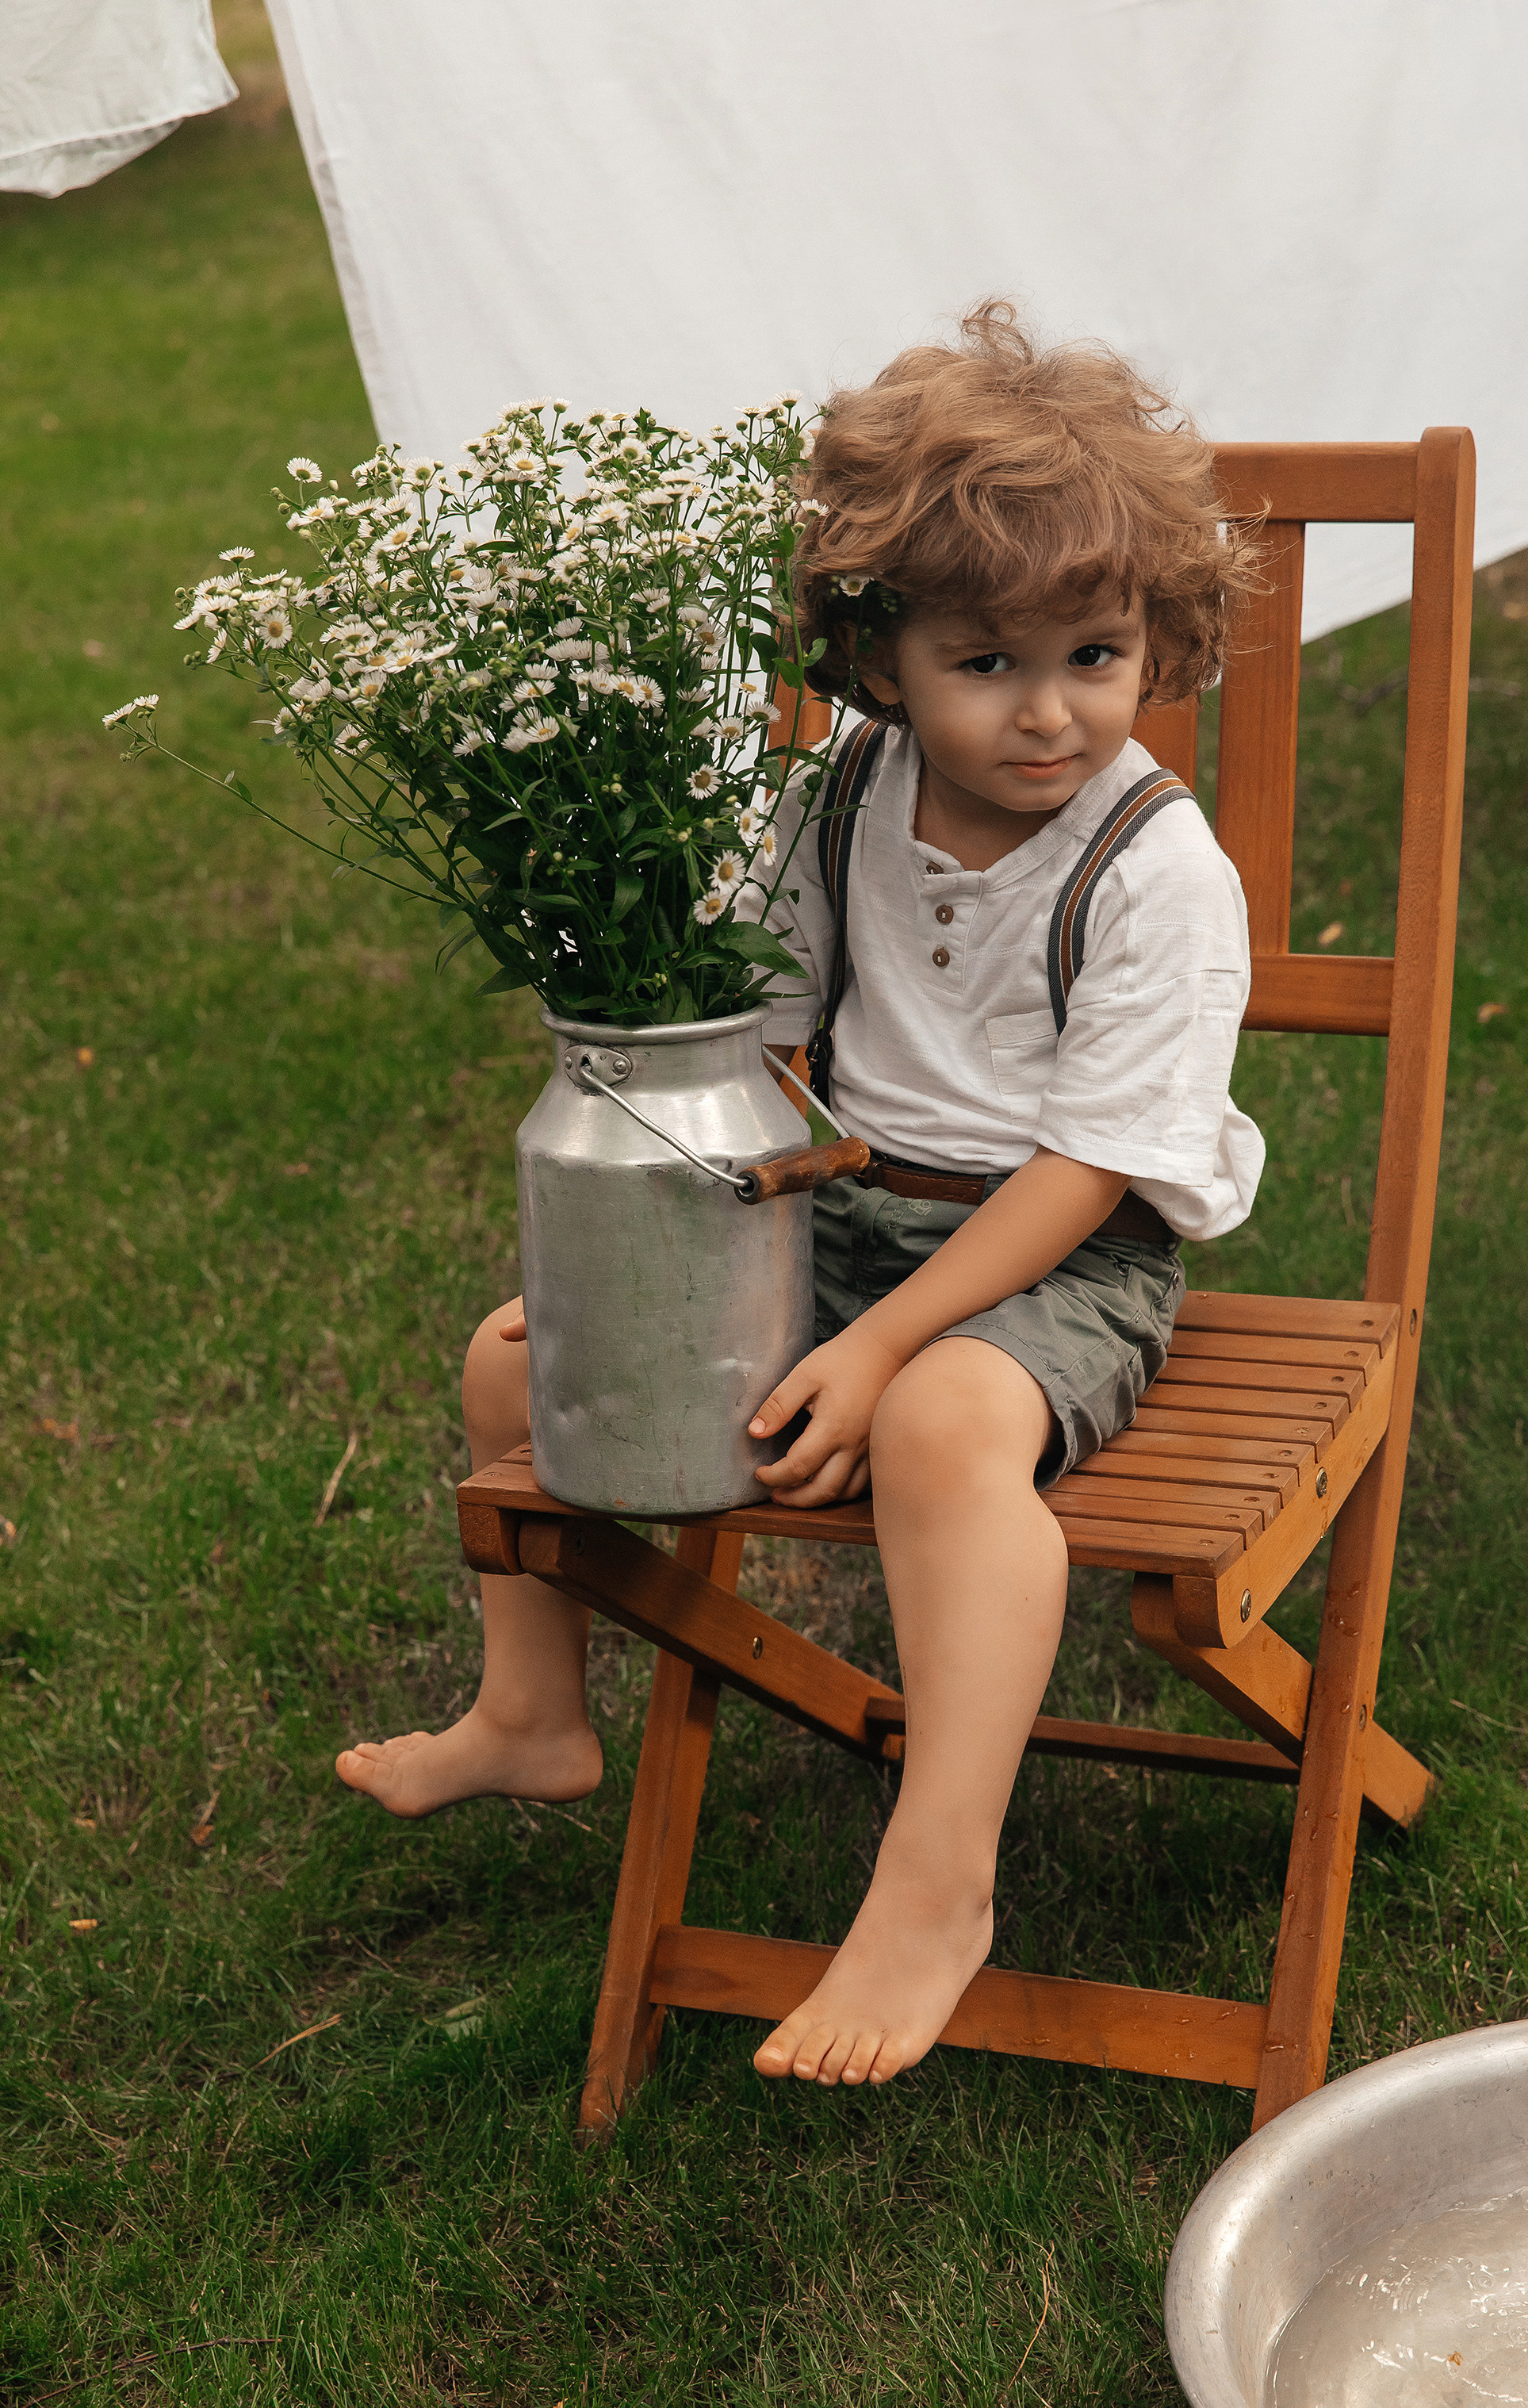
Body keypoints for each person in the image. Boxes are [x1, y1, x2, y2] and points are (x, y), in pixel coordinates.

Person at [335, 301, 1265, 2093]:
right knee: (522, 1363)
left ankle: (937, 1879)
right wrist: (681, 1247)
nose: (1054, 707)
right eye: (988, 662)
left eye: (1096, 649)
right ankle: (532, 1715)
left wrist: (888, 1339)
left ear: (1159, 632)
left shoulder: (1158, 870)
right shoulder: (843, 796)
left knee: (935, 1431)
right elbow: (759, 1034)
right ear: (881, 656)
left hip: (1059, 1259)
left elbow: (1086, 1168)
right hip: (834, 1213)